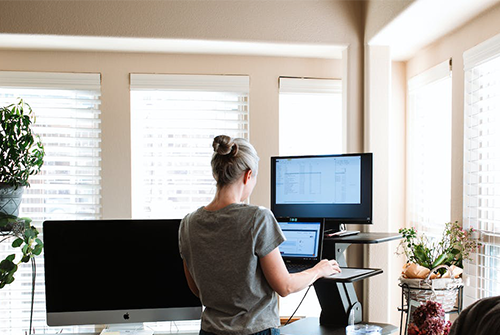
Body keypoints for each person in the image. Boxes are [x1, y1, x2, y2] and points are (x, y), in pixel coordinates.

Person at [179, 135, 341, 335]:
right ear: (248, 175)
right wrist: (318, 270)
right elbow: (285, 287)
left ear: (216, 175)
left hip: (209, 331)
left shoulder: (188, 223)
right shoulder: (258, 217)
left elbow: (196, 289)